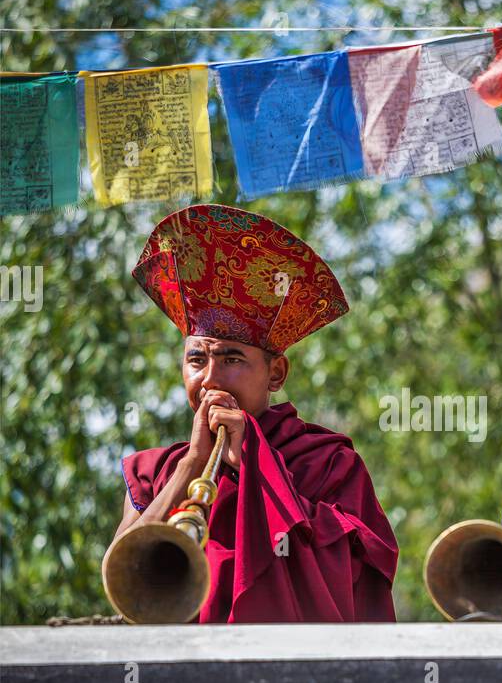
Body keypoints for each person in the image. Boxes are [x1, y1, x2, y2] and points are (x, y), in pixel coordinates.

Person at [107, 203, 398, 622]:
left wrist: (255, 467)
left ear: (276, 373)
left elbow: (357, 572)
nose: (210, 379)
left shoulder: (328, 463)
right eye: (196, 360)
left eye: (232, 359)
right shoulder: (156, 470)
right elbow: (121, 577)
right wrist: (191, 465)